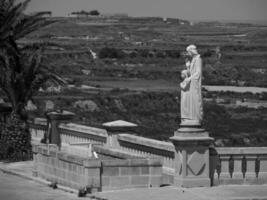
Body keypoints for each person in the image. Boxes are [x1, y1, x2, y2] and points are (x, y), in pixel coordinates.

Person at [180, 45, 203, 126]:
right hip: (191, 83)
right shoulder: (193, 59)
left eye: (188, 52)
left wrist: (189, 79)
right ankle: (190, 117)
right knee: (191, 101)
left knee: (195, 100)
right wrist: (188, 66)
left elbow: (198, 73)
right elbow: (191, 73)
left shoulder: (198, 59)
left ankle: (195, 118)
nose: (188, 54)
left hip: (194, 84)